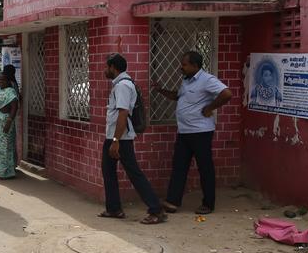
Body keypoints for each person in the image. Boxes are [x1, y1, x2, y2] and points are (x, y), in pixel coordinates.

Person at [152, 51, 234, 215]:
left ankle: (208, 204)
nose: (181, 67)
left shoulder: (207, 80)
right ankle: (172, 201)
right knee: (179, 166)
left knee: (205, 168)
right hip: (184, 131)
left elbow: (227, 93)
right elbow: (178, 97)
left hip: (201, 132)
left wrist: (210, 108)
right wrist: (160, 90)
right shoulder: (186, 80)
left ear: (195, 66)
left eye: (184, 64)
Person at [100, 54, 165, 223]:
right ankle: (113, 208)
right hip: (114, 135)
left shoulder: (122, 86)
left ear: (114, 67)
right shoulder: (122, 84)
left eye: (107, 67)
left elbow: (123, 114)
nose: (105, 70)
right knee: (108, 171)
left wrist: (116, 141)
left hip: (121, 138)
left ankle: (156, 210)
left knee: (134, 173)